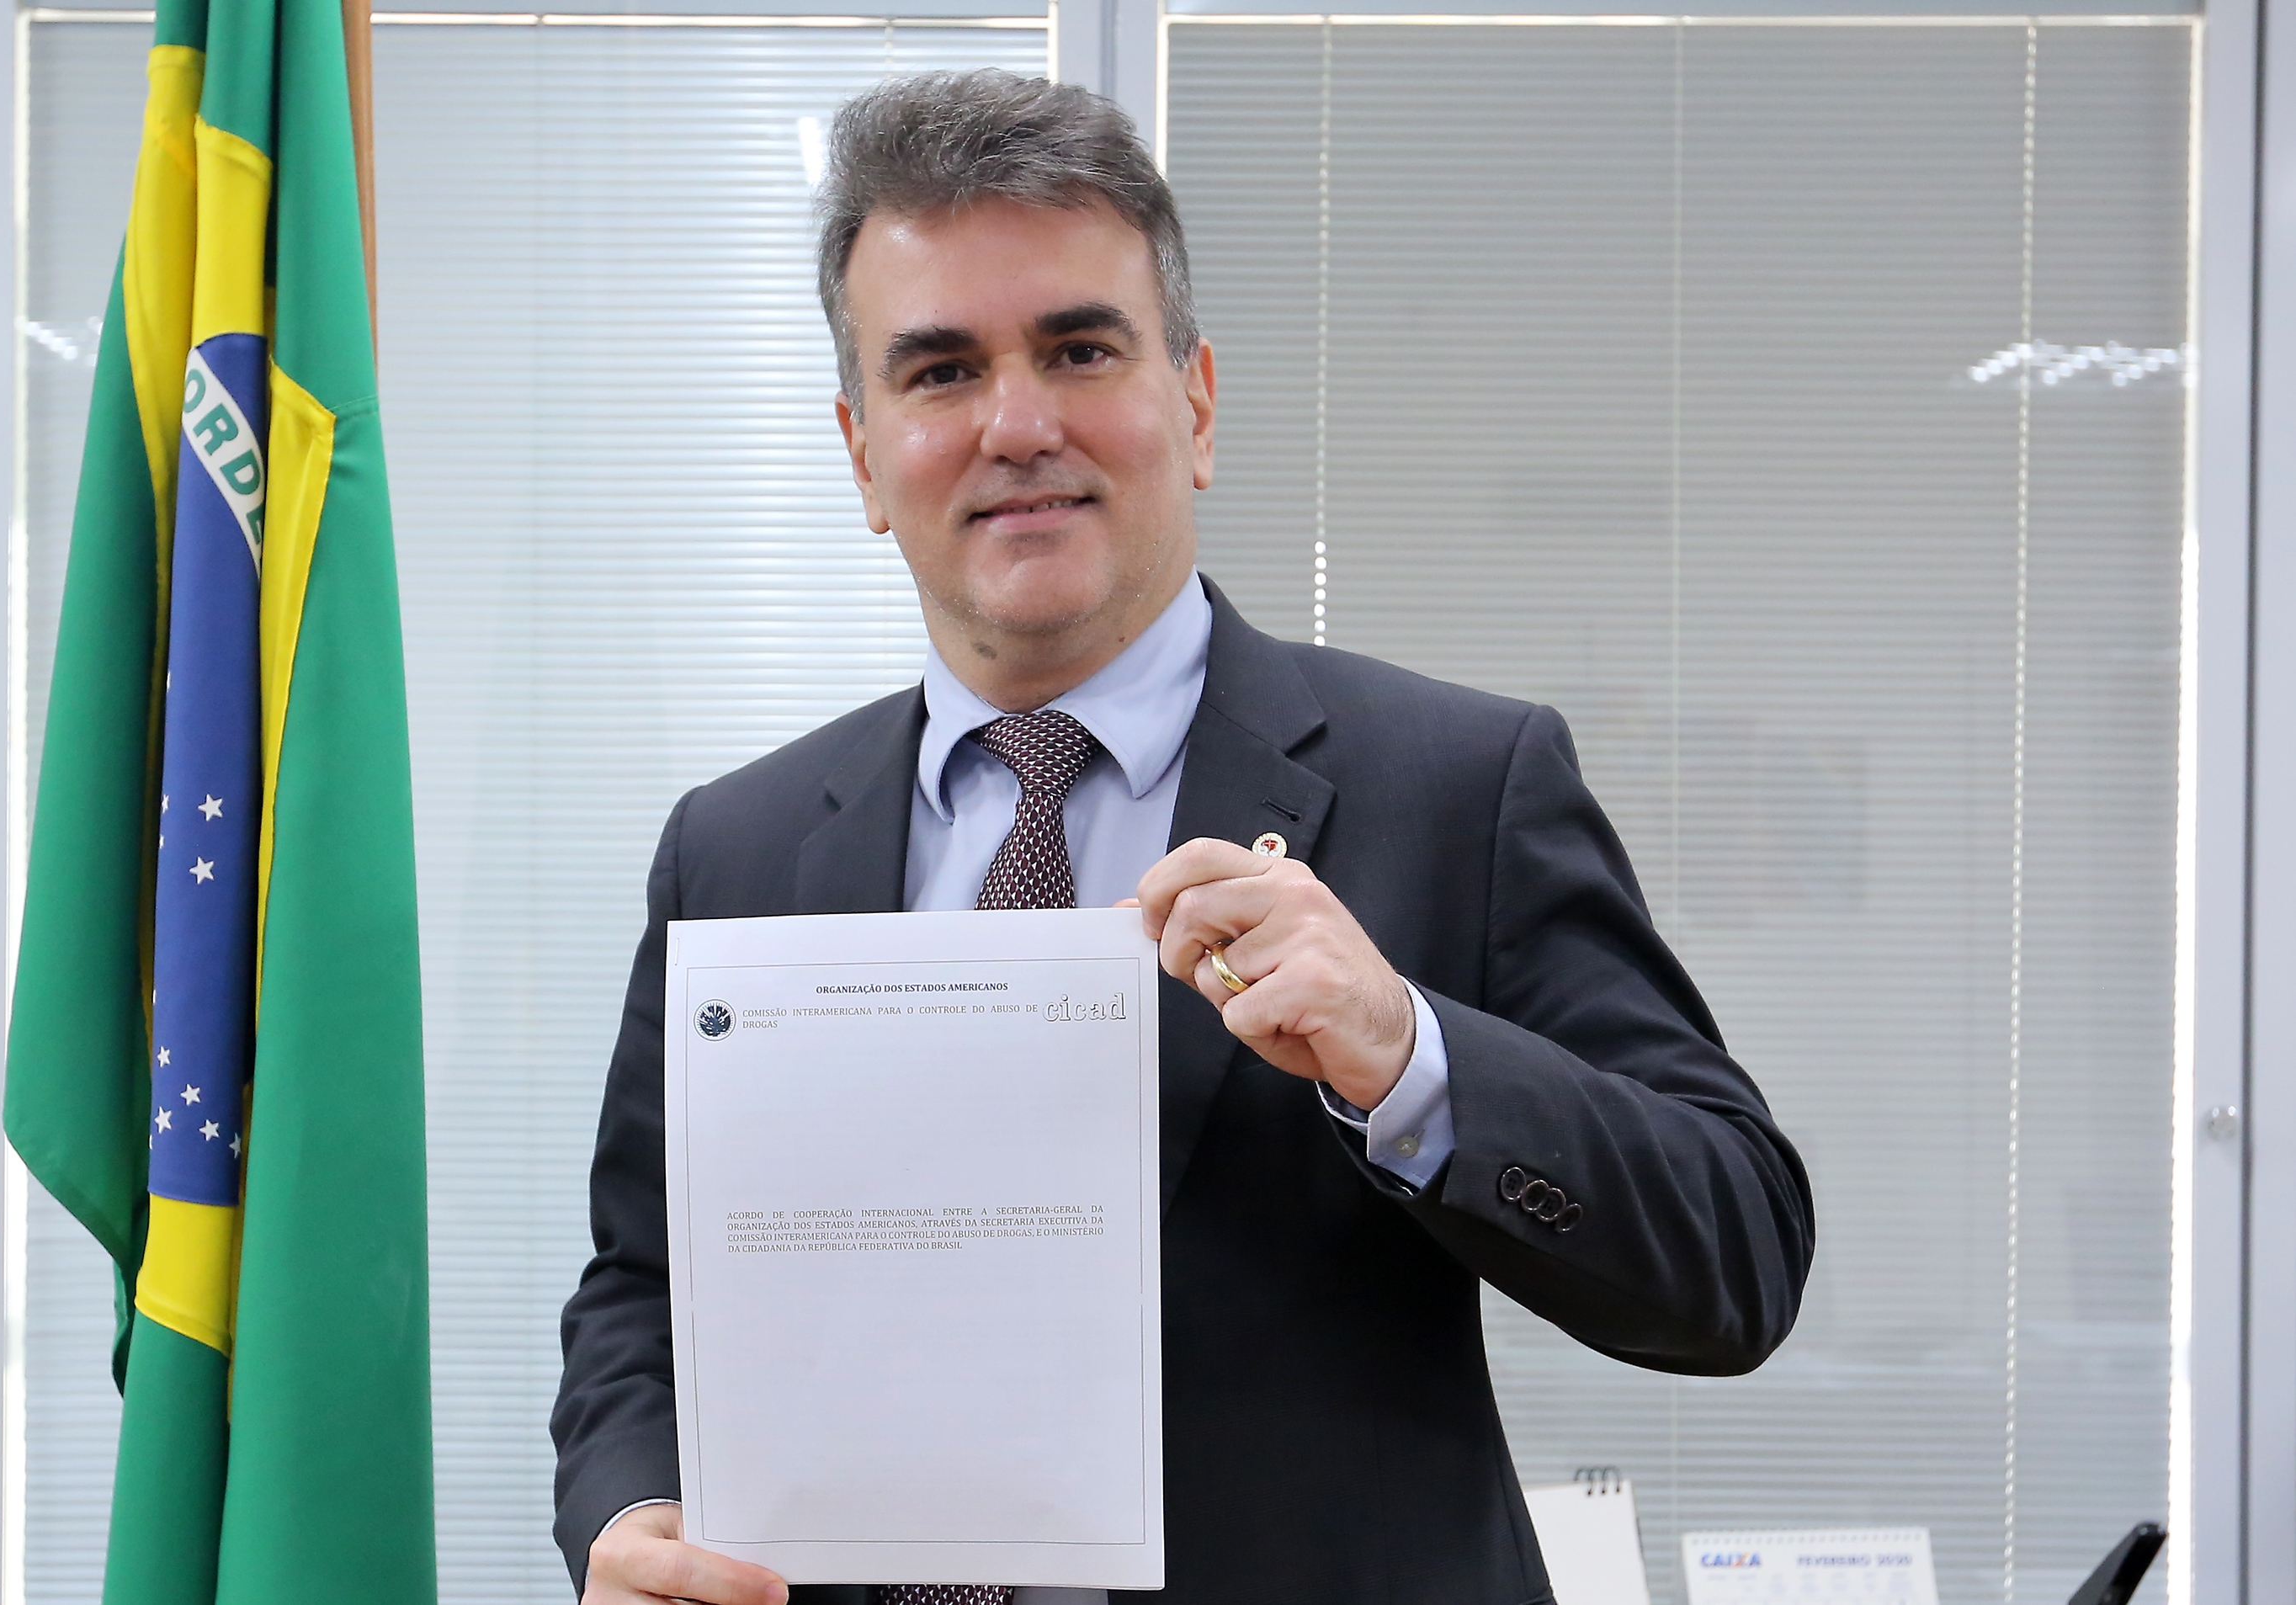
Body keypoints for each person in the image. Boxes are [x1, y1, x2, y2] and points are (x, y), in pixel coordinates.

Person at [552, 69, 1814, 1605]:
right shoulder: (737, 850)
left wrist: (1409, 1056)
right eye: (941, 371)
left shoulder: (1459, 784)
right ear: (864, 455)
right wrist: (630, 1510)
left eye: (1080, 350)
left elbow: (1738, 1255)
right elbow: (645, 1290)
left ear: (1196, 404)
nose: (1019, 424)